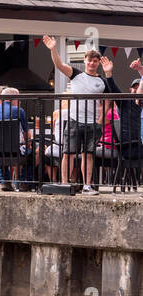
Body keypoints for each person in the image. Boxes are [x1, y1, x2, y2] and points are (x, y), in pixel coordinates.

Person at [44, 35, 116, 194]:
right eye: (89, 60)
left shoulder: (102, 81)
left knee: (88, 155)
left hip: (92, 122)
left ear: (98, 63)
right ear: (84, 61)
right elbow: (59, 64)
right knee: (67, 153)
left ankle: (87, 186)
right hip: (74, 119)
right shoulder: (76, 74)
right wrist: (53, 49)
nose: (91, 63)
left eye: (95, 61)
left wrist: (100, 119)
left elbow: (109, 100)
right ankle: (64, 184)